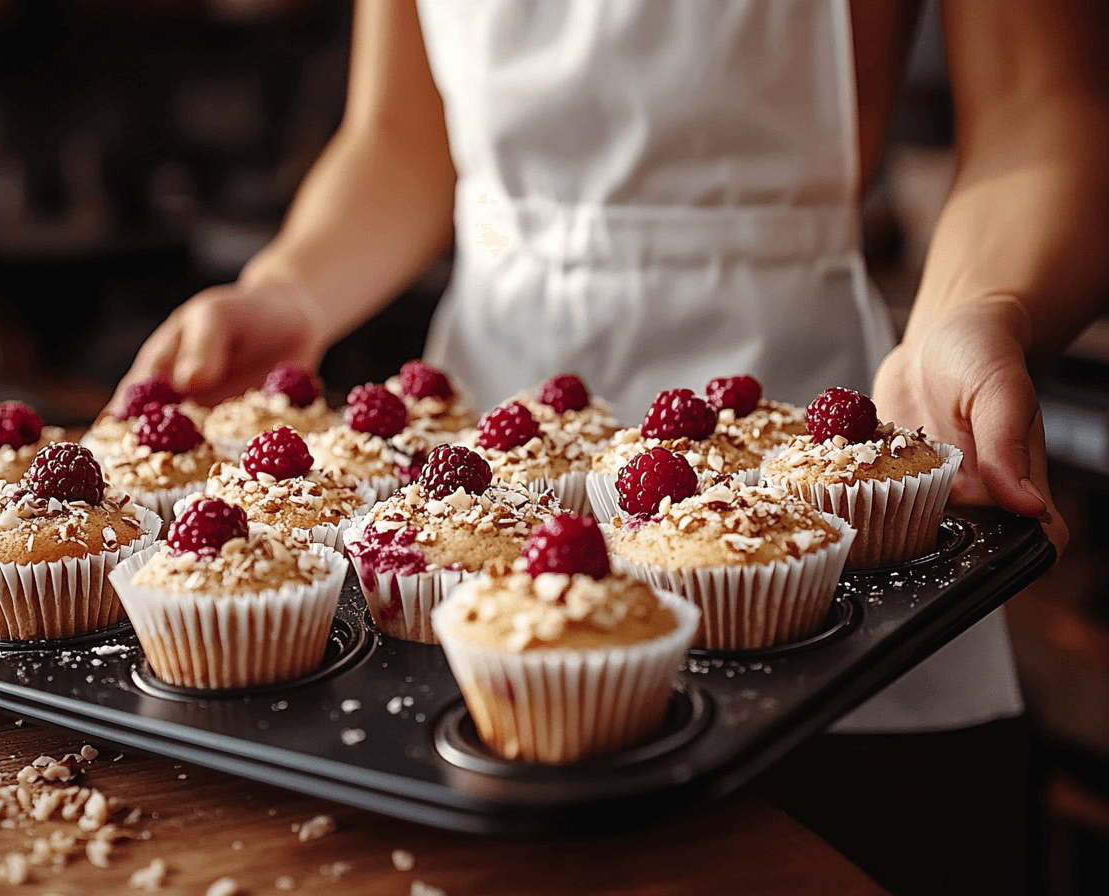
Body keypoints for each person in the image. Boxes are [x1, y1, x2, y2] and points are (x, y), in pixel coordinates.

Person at [115, 2, 1108, 892]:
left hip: (813, 464)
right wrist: (290, 290)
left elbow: (1045, 102)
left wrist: (975, 311)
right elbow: (399, 137)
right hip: (473, 470)